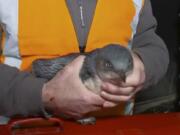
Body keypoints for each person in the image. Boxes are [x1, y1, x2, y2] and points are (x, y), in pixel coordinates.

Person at [0, 0, 169, 119]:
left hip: (115, 125)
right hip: (23, 126)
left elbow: (151, 45)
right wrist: (43, 95)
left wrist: (142, 65)